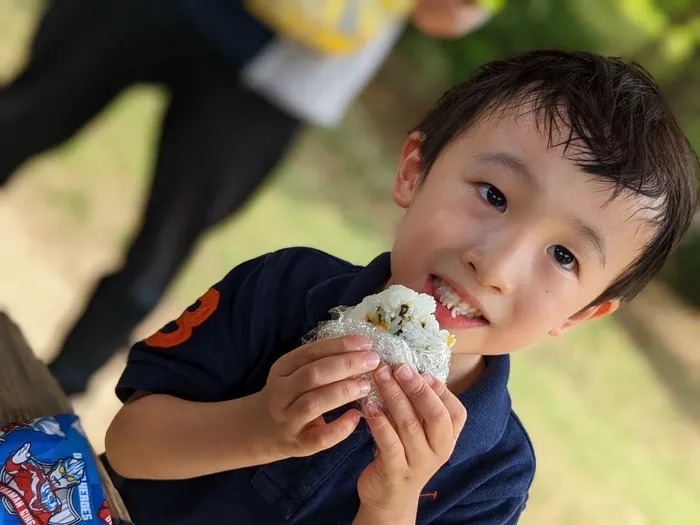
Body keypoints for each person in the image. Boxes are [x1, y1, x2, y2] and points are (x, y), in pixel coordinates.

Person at [101, 50, 699, 524]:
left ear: (580, 314)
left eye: (563, 256)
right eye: (494, 195)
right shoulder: (286, 286)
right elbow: (128, 444)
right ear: (415, 170)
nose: (495, 266)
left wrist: (391, 504)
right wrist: (258, 427)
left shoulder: (494, 472)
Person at [0, 0, 493, 396]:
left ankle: (48, 401)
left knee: (162, 245)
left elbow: (448, 12)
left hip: (285, 64)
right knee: (18, 124)